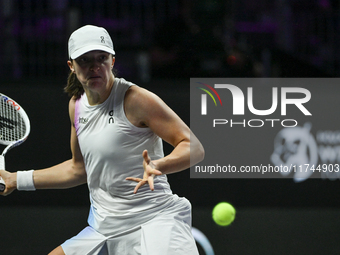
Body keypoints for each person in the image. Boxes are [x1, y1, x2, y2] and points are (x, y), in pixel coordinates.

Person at [0, 25, 204, 255]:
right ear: (71, 66)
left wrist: (159, 165)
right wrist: (16, 179)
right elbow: (79, 169)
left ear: (113, 61)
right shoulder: (76, 106)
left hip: (155, 220)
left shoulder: (136, 99)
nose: (95, 67)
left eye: (102, 58)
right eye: (85, 60)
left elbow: (194, 147)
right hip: (104, 227)